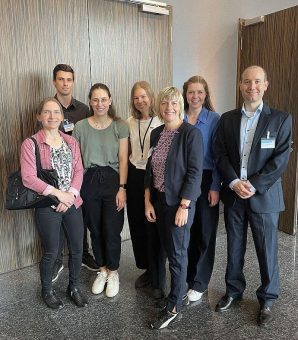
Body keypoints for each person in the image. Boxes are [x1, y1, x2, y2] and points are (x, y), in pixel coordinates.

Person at [213, 66, 292, 327]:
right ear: (240, 85)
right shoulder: (227, 119)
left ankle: (267, 299)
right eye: (247, 82)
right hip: (235, 195)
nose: (252, 87)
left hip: (264, 197)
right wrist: (234, 182)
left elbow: (280, 160)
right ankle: (233, 291)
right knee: (234, 247)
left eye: (257, 82)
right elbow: (220, 154)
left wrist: (254, 185)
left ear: (266, 85)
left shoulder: (280, 119)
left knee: (266, 249)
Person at [20, 97, 88, 309]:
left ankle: (74, 287)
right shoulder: (31, 144)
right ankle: (47, 290)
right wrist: (60, 195)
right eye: (47, 112)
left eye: (56, 112)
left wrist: (71, 196)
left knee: (77, 249)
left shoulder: (71, 142)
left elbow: (78, 170)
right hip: (47, 205)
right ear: (39, 116)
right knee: (52, 251)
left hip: (72, 203)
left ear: (62, 116)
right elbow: (28, 178)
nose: (52, 116)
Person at [144, 87, 204, 329]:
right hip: (159, 201)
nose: (169, 108)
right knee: (166, 251)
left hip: (179, 204)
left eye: (174, 103)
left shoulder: (191, 134)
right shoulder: (156, 133)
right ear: (159, 107)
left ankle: (174, 307)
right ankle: (176, 294)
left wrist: (184, 206)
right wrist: (148, 200)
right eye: (165, 103)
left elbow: (194, 172)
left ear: (180, 105)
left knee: (178, 256)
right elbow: (150, 168)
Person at [73, 83, 129, 298]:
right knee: (94, 228)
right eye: (95, 99)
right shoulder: (80, 127)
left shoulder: (119, 125)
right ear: (90, 101)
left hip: (113, 180)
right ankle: (102, 269)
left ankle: (113, 271)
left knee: (112, 229)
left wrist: (122, 188)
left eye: (103, 99)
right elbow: (77, 161)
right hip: (88, 180)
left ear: (110, 100)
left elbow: (123, 158)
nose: (99, 104)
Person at [52, 64, 98, 283]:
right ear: (54, 82)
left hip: (80, 172)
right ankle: (57, 260)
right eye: (61, 79)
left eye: (69, 79)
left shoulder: (83, 109)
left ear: (73, 81)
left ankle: (84, 254)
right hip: (54, 176)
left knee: (82, 214)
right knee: (56, 215)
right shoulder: (49, 108)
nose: (65, 83)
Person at [182, 76, 221, 302]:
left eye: (199, 92)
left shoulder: (214, 119)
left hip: (206, 179)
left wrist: (215, 186)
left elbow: (218, 155)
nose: (195, 96)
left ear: (206, 95)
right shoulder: (179, 116)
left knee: (205, 232)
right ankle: (187, 275)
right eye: (190, 92)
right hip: (184, 180)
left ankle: (200, 281)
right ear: (184, 94)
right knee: (187, 230)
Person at [126, 81, 165, 298]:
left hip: (153, 176)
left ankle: (158, 273)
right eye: (136, 97)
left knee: (153, 225)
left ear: (151, 97)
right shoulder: (129, 122)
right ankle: (146, 269)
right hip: (134, 175)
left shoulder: (161, 120)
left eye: (144, 96)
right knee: (137, 223)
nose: (140, 100)